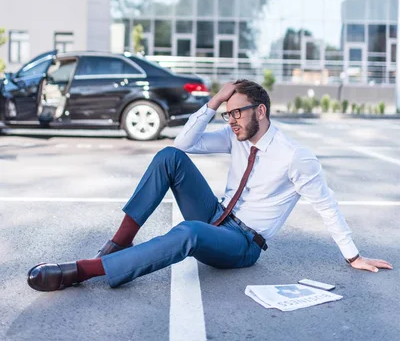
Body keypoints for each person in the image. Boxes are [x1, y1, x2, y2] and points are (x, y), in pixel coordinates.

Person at [27, 80, 392, 292]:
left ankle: (86, 270)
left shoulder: (296, 157)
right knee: (169, 157)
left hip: (242, 243)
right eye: (227, 113)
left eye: (237, 112)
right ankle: (117, 244)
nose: (231, 120)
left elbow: (326, 205)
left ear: (260, 111)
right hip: (217, 215)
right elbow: (184, 144)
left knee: (188, 232)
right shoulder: (234, 135)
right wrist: (213, 101)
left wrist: (353, 256)